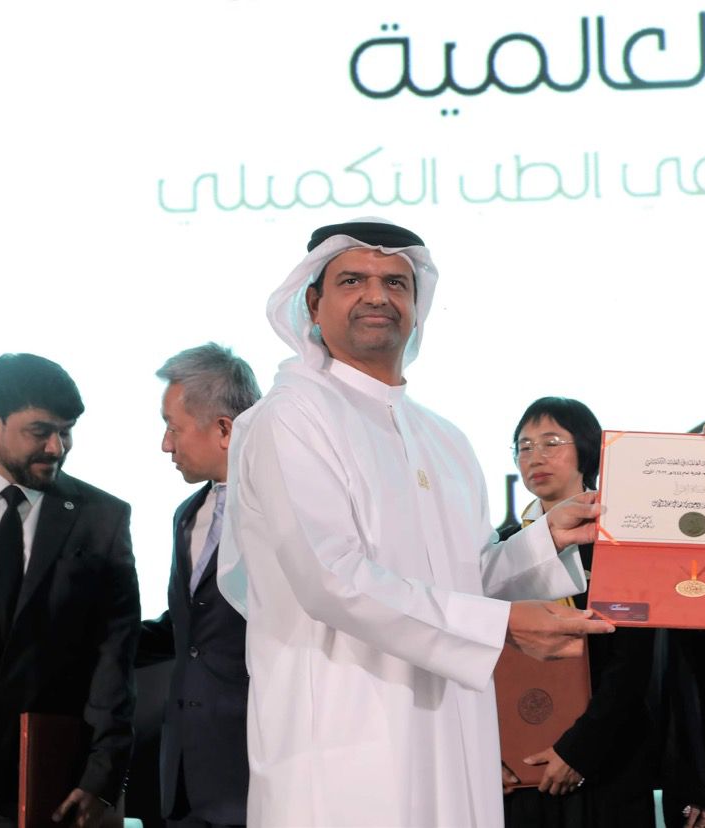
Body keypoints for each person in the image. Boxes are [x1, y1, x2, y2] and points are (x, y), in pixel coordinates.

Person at [216, 218, 613, 827]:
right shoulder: (290, 417)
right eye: (353, 280)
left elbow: (465, 577)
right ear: (313, 305)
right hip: (342, 733)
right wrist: (502, 626)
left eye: (396, 283)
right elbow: (331, 579)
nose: (377, 295)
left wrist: (543, 542)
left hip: (451, 731)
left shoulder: (443, 438)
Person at [0, 353, 139, 828]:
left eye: (67, 432)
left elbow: (114, 658)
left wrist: (102, 775)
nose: (56, 447)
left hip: (48, 778)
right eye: (40, 431)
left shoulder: (103, 519)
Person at [500, 396, 658, 827]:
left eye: (551, 442)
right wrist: (493, 751)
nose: (535, 457)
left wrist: (579, 751)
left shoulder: (618, 540)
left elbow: (632, 662)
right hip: (520, 765)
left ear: (587, 450)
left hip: (606, 762)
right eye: (524, 446)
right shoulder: (501, 547)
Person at [138, 344, 261, 828]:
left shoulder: (283, 511)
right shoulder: (186, 515)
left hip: (258, 767)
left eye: (173, 427)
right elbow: (190, 629)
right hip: (184, 776)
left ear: (224, 430)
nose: (165, 445)